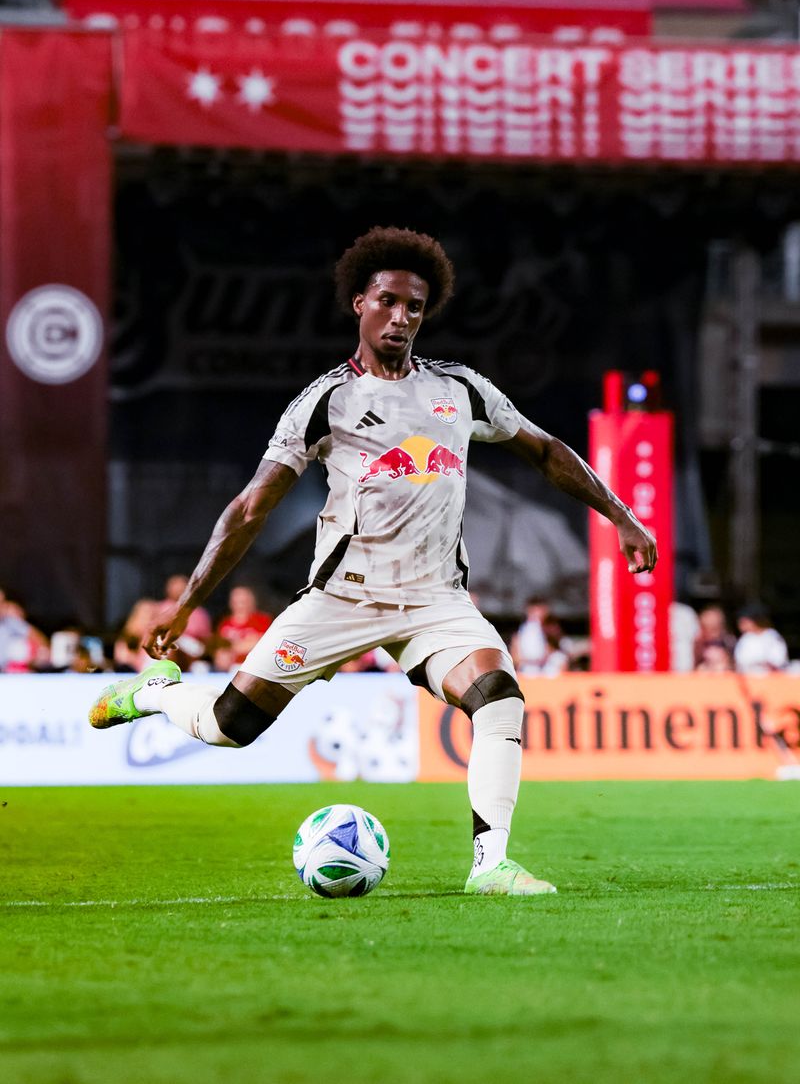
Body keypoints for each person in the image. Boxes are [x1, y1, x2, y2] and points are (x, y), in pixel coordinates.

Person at [89, 226, 656, 896]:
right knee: (227, 726)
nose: (401, 317)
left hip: (437, 600)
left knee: (499, 698)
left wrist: (621, 513)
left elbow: (546, 449)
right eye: (387, 300)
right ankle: (154, 692)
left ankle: (490, 864)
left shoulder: (460, 391)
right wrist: (187, 604)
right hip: (342, 598)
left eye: (415, 306)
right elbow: (250, 508)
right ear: (359, 303)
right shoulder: (327, 399)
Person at [215, 585, 273, 668]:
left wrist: (232, 648)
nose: (240, 606)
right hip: (229, 669)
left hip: (254, 668)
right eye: (236, 602)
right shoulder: (225, 623)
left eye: (243, 602)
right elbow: (219, 650)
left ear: (251, 602)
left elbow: (263, 645)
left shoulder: (262, 620)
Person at [734, 603, 788, 674]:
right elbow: (740, 660)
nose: (741, 626)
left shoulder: (772, 636)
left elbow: (779, 659)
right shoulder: (745, 639)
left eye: (744, 622)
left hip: (773, 675)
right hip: (750, 675)